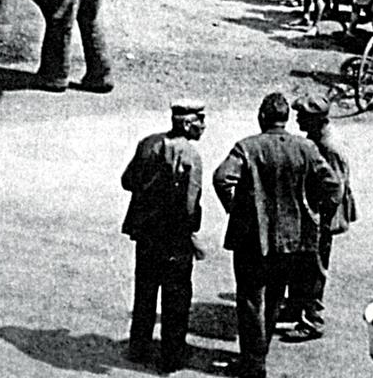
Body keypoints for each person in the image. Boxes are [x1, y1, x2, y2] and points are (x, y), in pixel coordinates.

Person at [212, 92, 342, 378]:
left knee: (249, 299)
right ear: (286, 120)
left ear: (261, 117)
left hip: (251, 238)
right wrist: (316, 215)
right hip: (291, 238)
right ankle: (261, 354)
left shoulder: (246, 147)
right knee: (273, 298)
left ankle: (253, 362)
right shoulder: (305, 148)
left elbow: (222, 178)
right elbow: (333, 187)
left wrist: (235, 209)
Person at [121, 100, 207, 373]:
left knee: (145, 290)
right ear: (187, 124)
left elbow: (127, 181)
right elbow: (190, 205)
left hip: (146, 233)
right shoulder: (191, 155)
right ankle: (172, 355)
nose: (203, 127)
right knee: (176, 296)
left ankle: (138, 347)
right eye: (200, 121)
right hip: (175, 237)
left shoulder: (148, 143)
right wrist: (192, 234)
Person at [286, 94, 356, 342]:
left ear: (316, 119)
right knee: (302, 263)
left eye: (302, 116)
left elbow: (335, 188)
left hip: (322, 216)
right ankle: (295, 306)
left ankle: (312, 321)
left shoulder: (328, 145)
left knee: (313, 268)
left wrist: (320, 219)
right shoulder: (318, 137)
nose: (297, 119)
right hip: (316, 212)